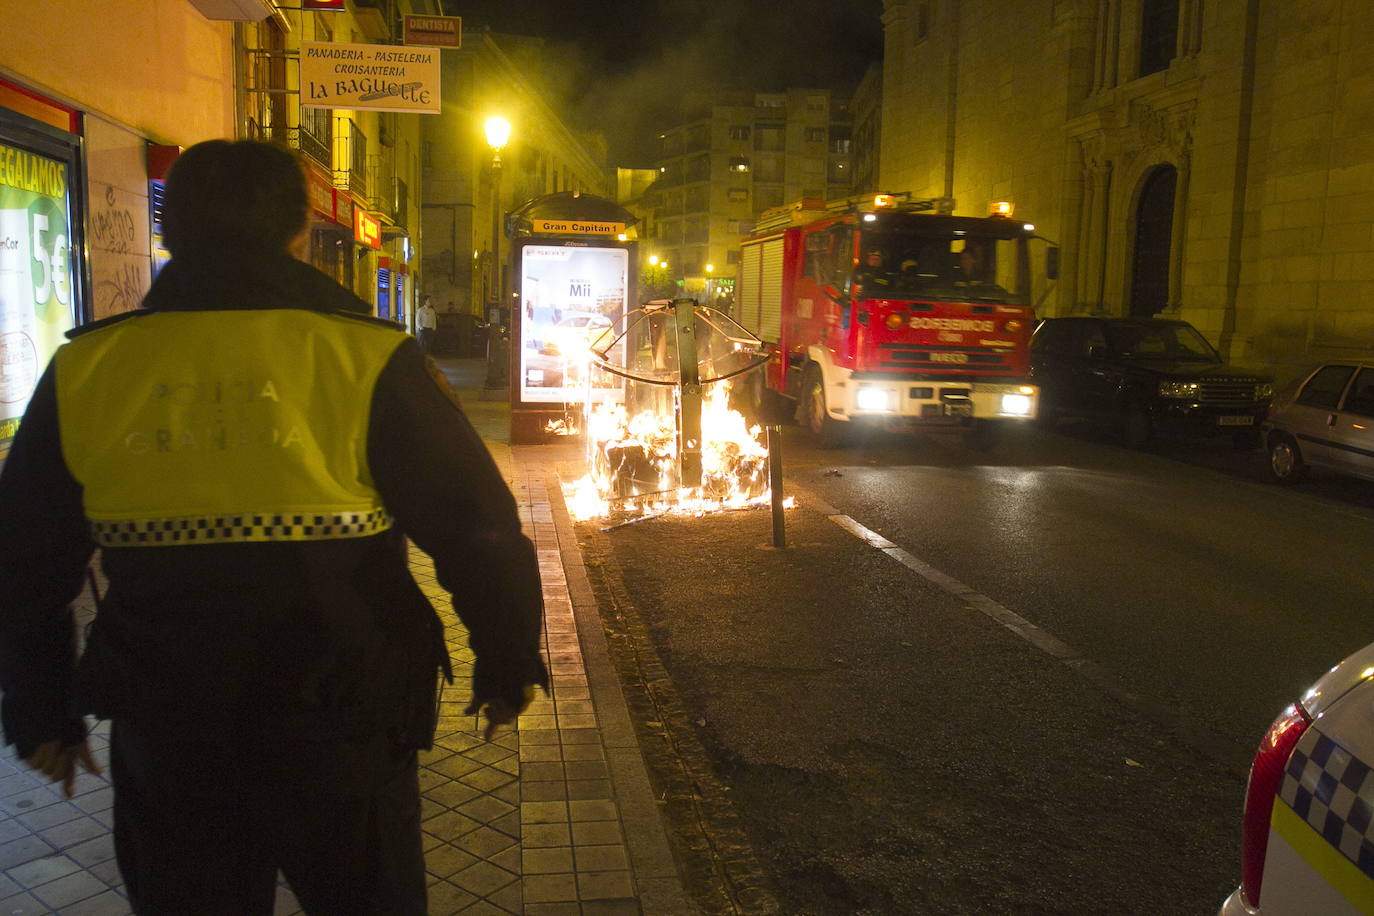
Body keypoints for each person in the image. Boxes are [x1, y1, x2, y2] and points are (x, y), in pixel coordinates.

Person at [0, 140, 548, 915]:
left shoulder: (89, 368)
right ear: (300, 231)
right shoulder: (365, 357)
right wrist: (506, 659)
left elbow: (23, 559)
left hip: (169, 722)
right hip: (345, 718)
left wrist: (39, 710)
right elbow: (476, 529)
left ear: (169, 233)